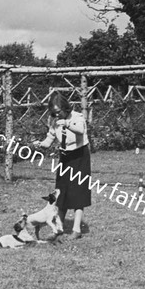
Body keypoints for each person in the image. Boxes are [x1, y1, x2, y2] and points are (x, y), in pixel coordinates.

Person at [33, 92, 91, 240]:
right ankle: (59, 228)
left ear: (65, 108)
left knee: (78, 191)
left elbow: (80, 130)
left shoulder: (77, 117)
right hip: (65, 158)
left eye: (58, 112)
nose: (56, 115)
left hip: (79, 156)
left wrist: (66, 123)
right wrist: (41, 145)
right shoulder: (54, 120)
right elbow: (49, 139)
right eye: (54, 113)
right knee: (62, 192)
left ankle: (76, 229)